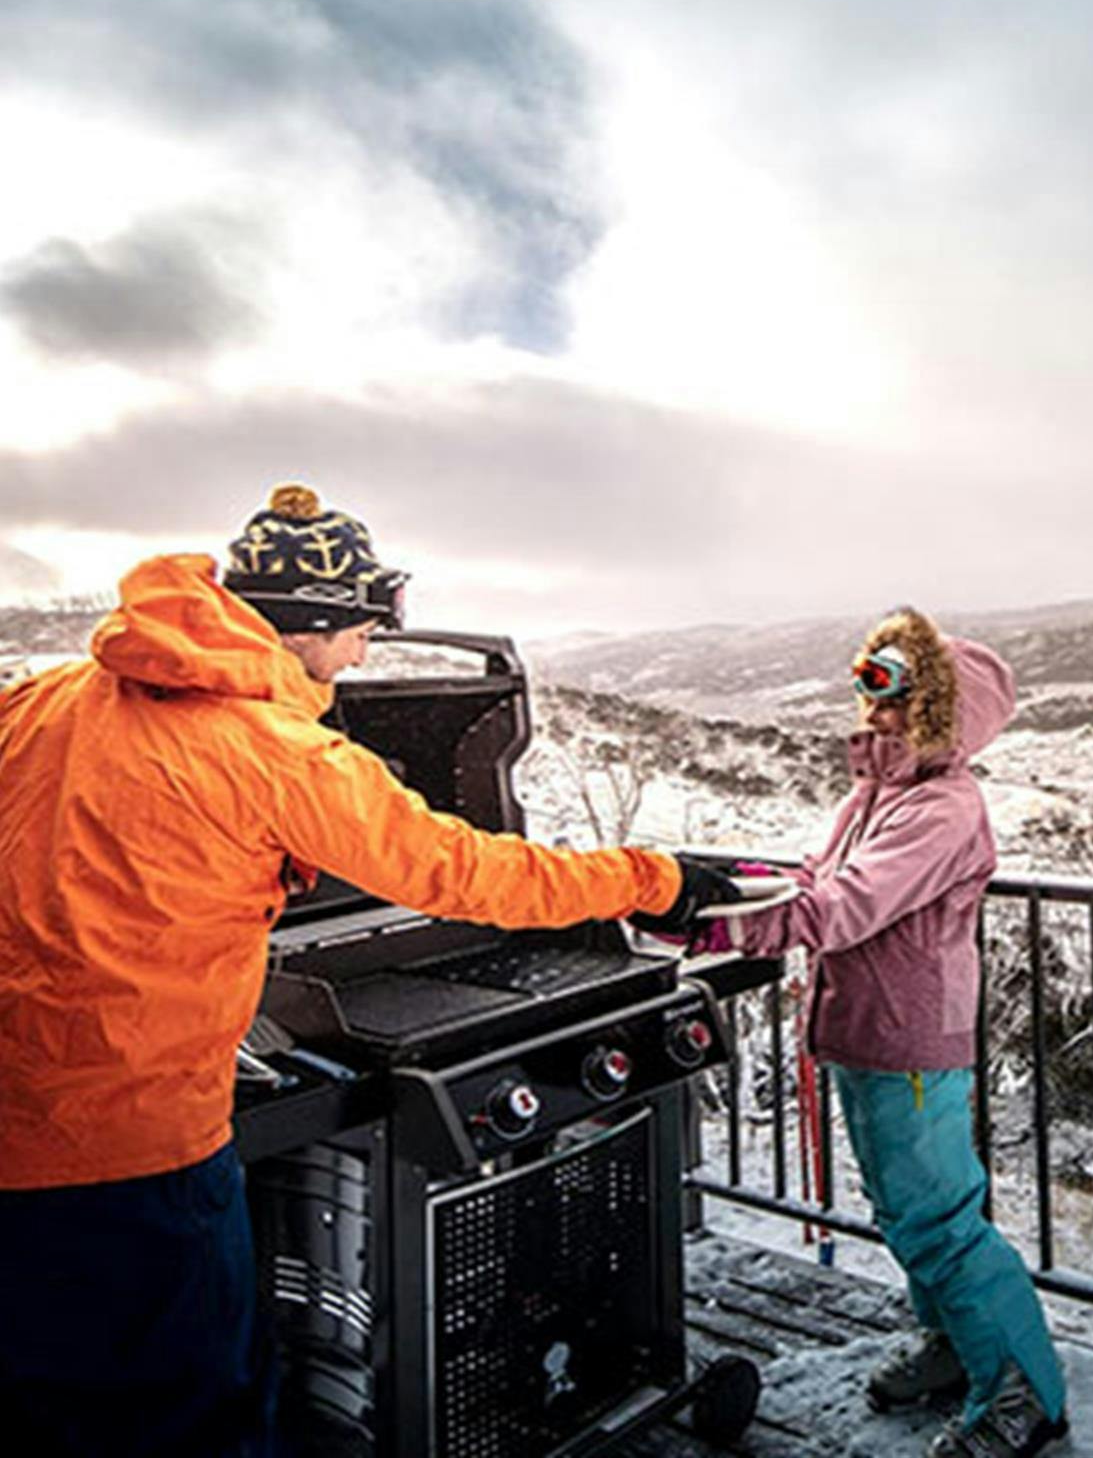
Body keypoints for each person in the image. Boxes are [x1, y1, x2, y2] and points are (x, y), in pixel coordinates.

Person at [0, 483, 734, 1458]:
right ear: (312, 623)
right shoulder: (276, 749)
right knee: (191, 1411)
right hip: (136, 1147)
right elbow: (466, 871)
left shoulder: (47, 697)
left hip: (18, 1133)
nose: (363, 655)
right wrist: (651, 878)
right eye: (359, 631)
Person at [686, 607, 1068, 1458]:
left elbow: (849, 905)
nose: (874, 712)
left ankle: (1024, 1398)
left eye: (897, 697)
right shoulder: (879, 794)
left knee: (941, 1223)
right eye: (871, 689)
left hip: (910, 1045)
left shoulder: (942, 809)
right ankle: (955, 1349)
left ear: (942, 715)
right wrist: (740, 886)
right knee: (908, 1216)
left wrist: (723, 929)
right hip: (866, 1030)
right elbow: (827, 879)